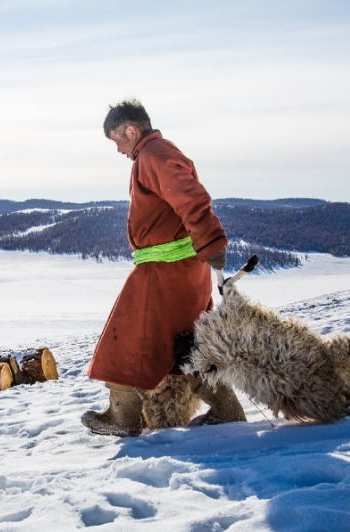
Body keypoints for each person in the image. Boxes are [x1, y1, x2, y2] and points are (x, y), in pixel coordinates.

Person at [82, 99, 246, 436]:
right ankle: (227, 409)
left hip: (165, 271)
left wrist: (212, 241)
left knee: (124, 338)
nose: (118, 149)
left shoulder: (154, 154)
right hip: (180, 269)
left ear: (131, 129)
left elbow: (192, 197)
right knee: (185, 343)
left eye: (117, 140)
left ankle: (123, 417)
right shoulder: (155, 153)